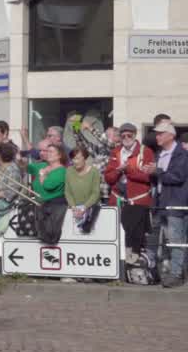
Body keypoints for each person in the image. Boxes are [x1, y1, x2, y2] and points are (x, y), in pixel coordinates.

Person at [104, 122, 155, 267]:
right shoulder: (116, 152)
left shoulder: (146, 151)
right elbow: (108, 178)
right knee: (117, 233)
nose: (126, 137)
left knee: (135, 235)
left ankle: (134, 263)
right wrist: (119, 170)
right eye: (123, 135)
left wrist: (128, 170)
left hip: (137, 199)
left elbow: (147, 177)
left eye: (129, 135)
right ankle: (120, 265)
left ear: (135, 134)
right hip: (118, 198)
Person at [148, 120, 188, 287]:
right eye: (157, 133)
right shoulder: (160, 154)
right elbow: (160, 178)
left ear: (171, 135)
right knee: (165, 240)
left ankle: (177, 274)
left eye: (161, 133)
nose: (157, 136)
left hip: (175, 203)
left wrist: (156, 172)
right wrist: (150, 172)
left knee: (176, 240)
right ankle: (168, 271)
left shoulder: (182, 155)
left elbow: (177, 177)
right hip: (161, 202)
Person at [28, 143, 68, 245]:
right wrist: (20, 161)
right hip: (39, 205)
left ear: (59, 155)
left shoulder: (62, 170)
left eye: (51, 152)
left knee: (50, 234)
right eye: (47, 151)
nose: (48, 154)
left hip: (54, 207)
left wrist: (42, 175)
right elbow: (28, 168)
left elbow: (48, 186)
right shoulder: (42, 165)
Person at [65, 148, 102, 234]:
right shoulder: (69, 171)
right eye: (73, 158)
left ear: (84, 158)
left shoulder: (94, 171)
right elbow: (67, 191)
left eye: (78, 158)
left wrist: (83, 208)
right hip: (74, 210)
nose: (75, 161)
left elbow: (95, 193)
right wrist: (73, 207)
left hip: (90, 210)